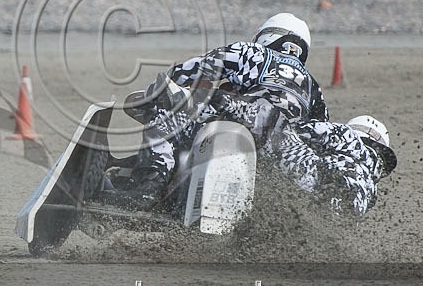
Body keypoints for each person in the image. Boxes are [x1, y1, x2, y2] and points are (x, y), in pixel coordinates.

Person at [111, 12, 329, 209]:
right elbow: (320, 134)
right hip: (285, 147)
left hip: (245, 119)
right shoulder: (313, 87)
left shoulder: (253, 52)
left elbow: (183, 74)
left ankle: (149, 186)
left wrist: (154, 96)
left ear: (267, 36)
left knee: (166, 112)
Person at [264, 114, 398, 216]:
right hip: (340, 213)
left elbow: (300, 129)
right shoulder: (371, 189)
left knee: (276, 133)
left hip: (318, 178)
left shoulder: (347, 135)